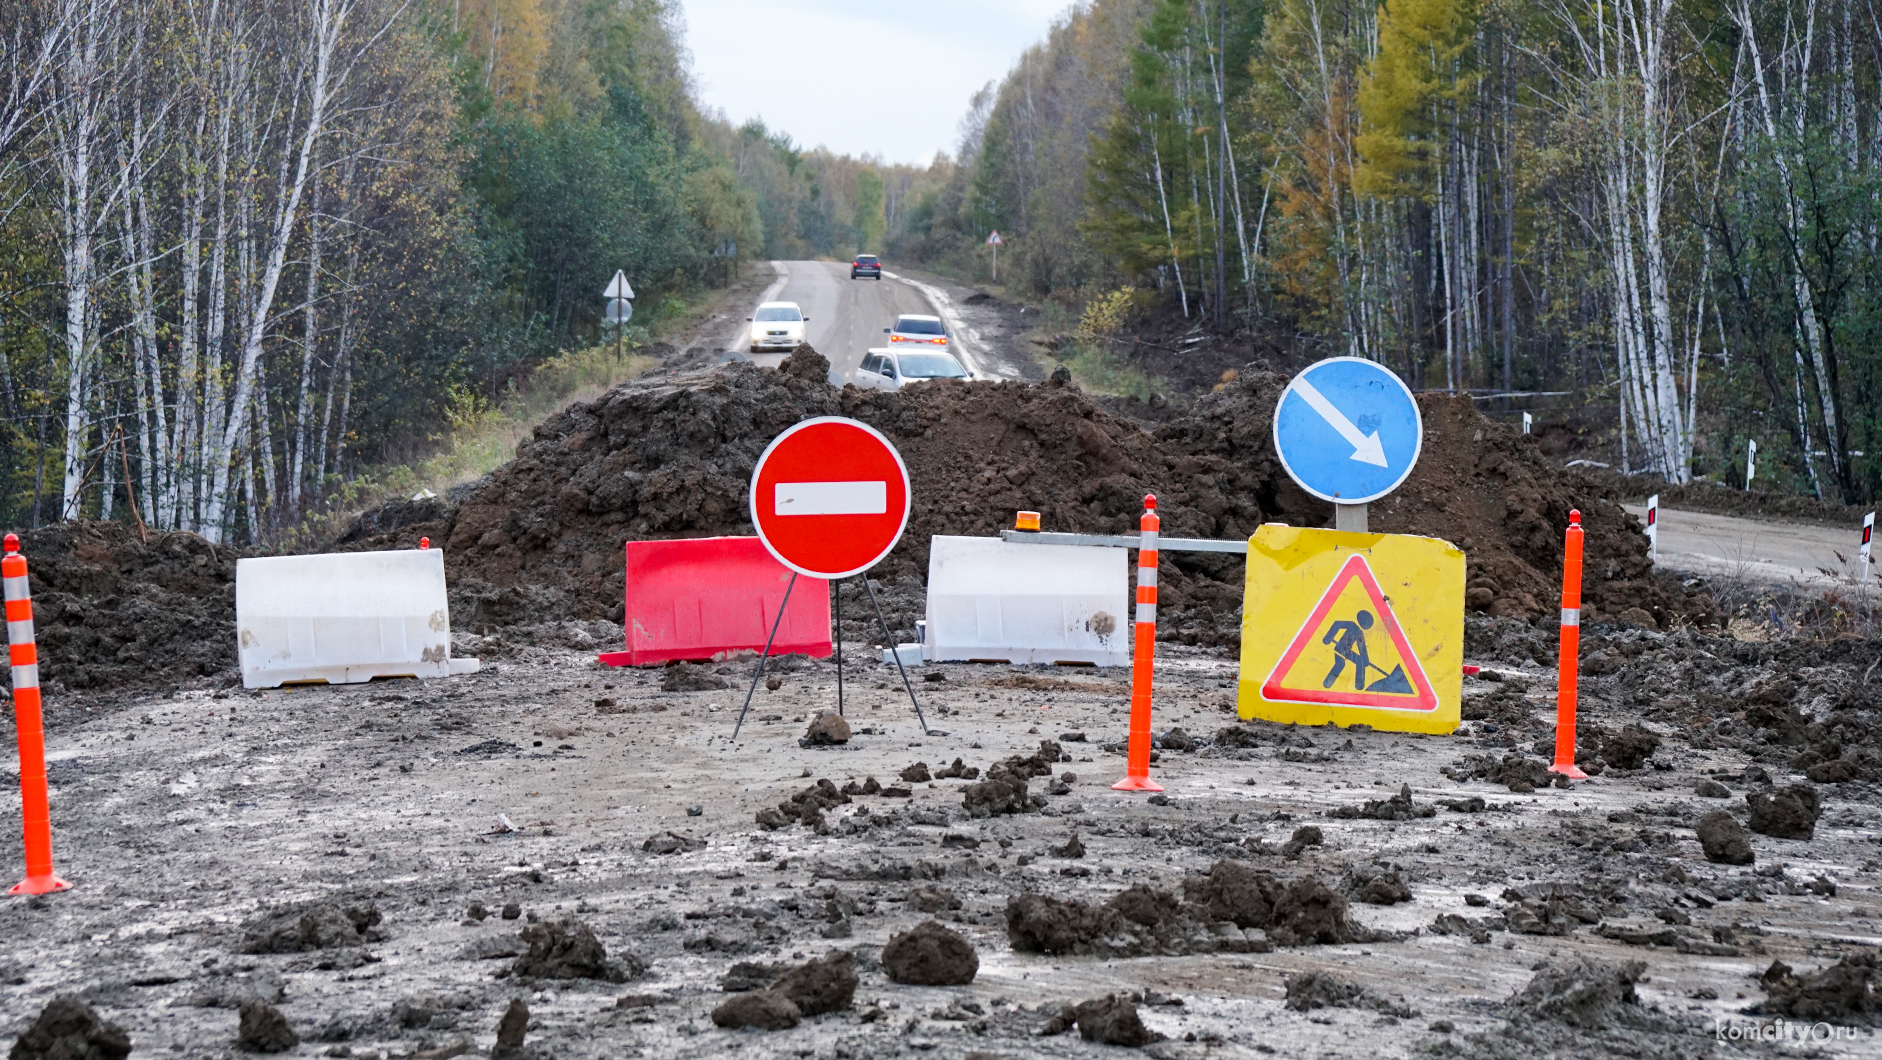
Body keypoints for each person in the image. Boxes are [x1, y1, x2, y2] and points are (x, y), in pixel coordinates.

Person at [1321, 610, 1375, 690]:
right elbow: (1337, 624)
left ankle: (1359, 685)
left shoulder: (1359, 632)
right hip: (1340, 648)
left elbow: (1362, 648)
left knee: (1359, 661)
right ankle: (1327, 682)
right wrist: (1328, 638)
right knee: (1340, 664)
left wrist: (1365, 660)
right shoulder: (1351, 625)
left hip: (1346, 651)